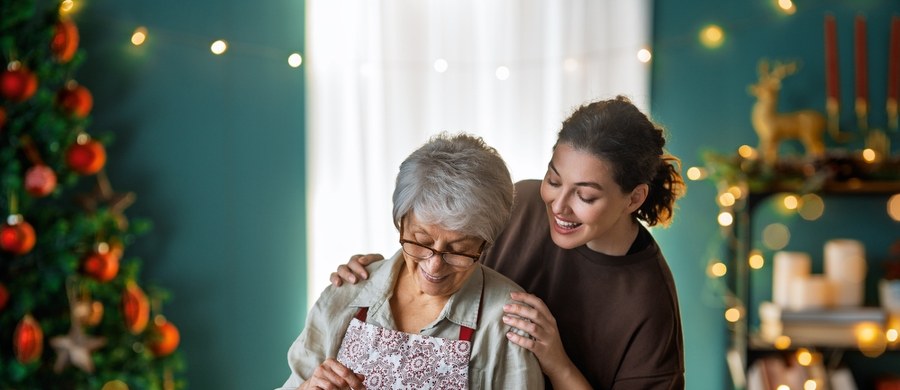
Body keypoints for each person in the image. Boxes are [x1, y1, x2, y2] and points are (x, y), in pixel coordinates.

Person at [331, 96, 687, 389]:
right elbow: (442, 250)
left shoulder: (649, 303)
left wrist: (558, 364)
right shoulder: (523, 203)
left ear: (634, 198)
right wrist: (382, 273)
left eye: (585, 196)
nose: (559, 206)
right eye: (554, 179)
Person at [277, 133, 545, 390]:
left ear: (485, 244)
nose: (434, 265)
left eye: (458, 250)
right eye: (421, 242)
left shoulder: (507, 318)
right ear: (401, 222)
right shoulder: (347, 292)